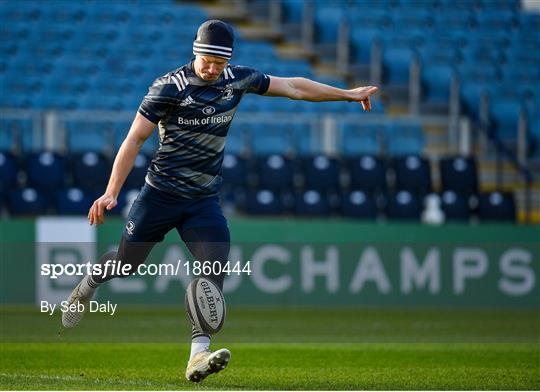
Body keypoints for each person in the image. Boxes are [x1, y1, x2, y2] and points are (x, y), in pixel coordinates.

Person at [61, 19, 379, 383]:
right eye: (207, 60)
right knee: (126, 264)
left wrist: (347, 94)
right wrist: (111, 191)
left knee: (213, 271)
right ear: (195, 52)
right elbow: (133, 140)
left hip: (202, 200)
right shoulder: (168, 87)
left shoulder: (237, 79)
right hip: (160, 195)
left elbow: (293, 87)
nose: (213, 69)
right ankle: (85, 289)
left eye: (220, 62)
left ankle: (198, 356)